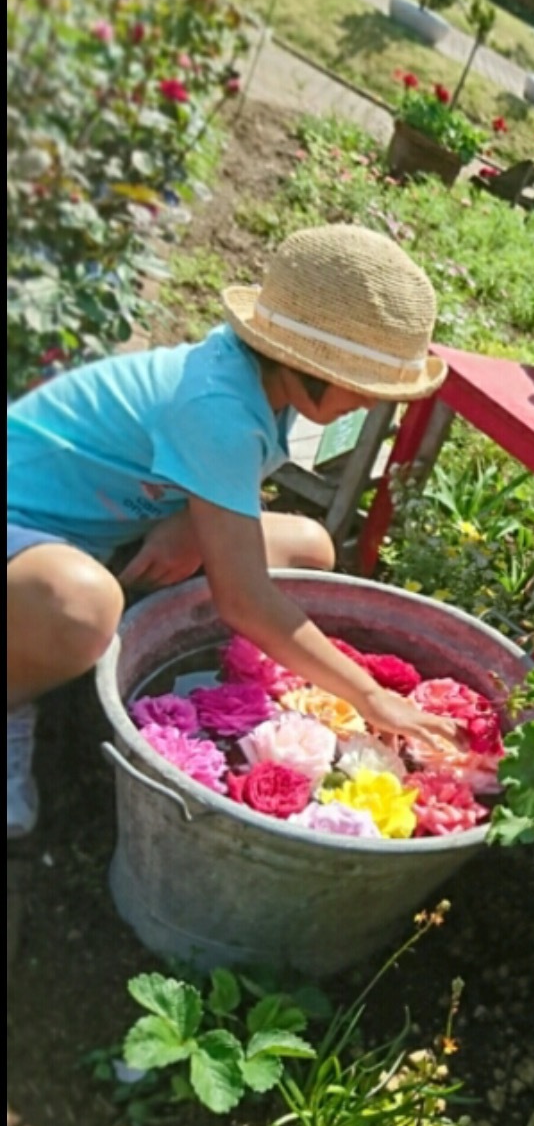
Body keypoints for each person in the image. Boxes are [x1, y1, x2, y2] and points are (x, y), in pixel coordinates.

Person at [7, 225, 454, 839]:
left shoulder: (263, 382)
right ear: (306, 362)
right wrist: (368, 694)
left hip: (102, 525)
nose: (373, 404)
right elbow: (241, 598)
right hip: (22, 523)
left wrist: (191, 522)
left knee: (308, 548)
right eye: (364, 385)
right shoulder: (216, 408)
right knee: (82, 606)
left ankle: (103, 635)